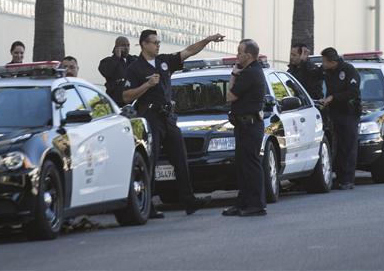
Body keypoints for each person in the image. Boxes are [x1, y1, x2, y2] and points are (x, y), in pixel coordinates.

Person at [123, 29, 224, 218]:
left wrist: (208, 40)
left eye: (158, 42)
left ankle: (189, 201)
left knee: (180, 158)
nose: (158, 45)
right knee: (151, 162)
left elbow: (189, 51)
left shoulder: (164, 61)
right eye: (154, 42)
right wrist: (147, 85)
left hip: (168, 117)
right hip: (150, 117)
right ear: (144, 44)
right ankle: (148, 206)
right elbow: (126, 96)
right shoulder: (134, 68)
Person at [222, 39, 267, 217]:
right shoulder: (249, 71)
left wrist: (233, 74)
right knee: (242, 166)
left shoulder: (250, 73)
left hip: (250, 125)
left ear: (248, 55)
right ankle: (243, 202)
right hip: (244, 125)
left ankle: (256, 204)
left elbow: (230, 96)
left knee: (250, 166)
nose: (237, 55)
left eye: (240, 52)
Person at [320, 47, 362, 190]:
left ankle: (348, 179)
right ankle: (339, 177)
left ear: (332, 61)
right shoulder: (327, 71)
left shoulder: (348, 70)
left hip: (349, 113)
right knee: (338, 146)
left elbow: (353, 92)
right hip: (334, 114)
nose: (323, 64)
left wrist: (333, 97)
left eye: (325, 62)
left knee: (349, 146)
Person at [98, 36, 138, 101]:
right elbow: (106, 72)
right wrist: (116, 58)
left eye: (128, 45)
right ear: (116, 47)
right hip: (115, 99)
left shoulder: (133, 60)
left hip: (131, 98)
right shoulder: (107, 61)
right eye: (123, 45)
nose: (126, 48)